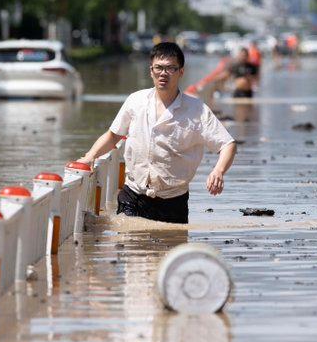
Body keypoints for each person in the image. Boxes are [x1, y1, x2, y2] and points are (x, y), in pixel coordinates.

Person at [77, 42, 237, 224]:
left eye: (170, 68)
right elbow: (113, 135)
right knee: (131, 244)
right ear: (151, 71)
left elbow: (227, 145)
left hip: (173, 201)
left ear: (181, 72)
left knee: (168, 251)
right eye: (159, 68)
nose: (163, 73)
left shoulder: (197, 110)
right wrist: (89, 157)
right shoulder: (135, 101)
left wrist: (218, 171)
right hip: (133, 195)